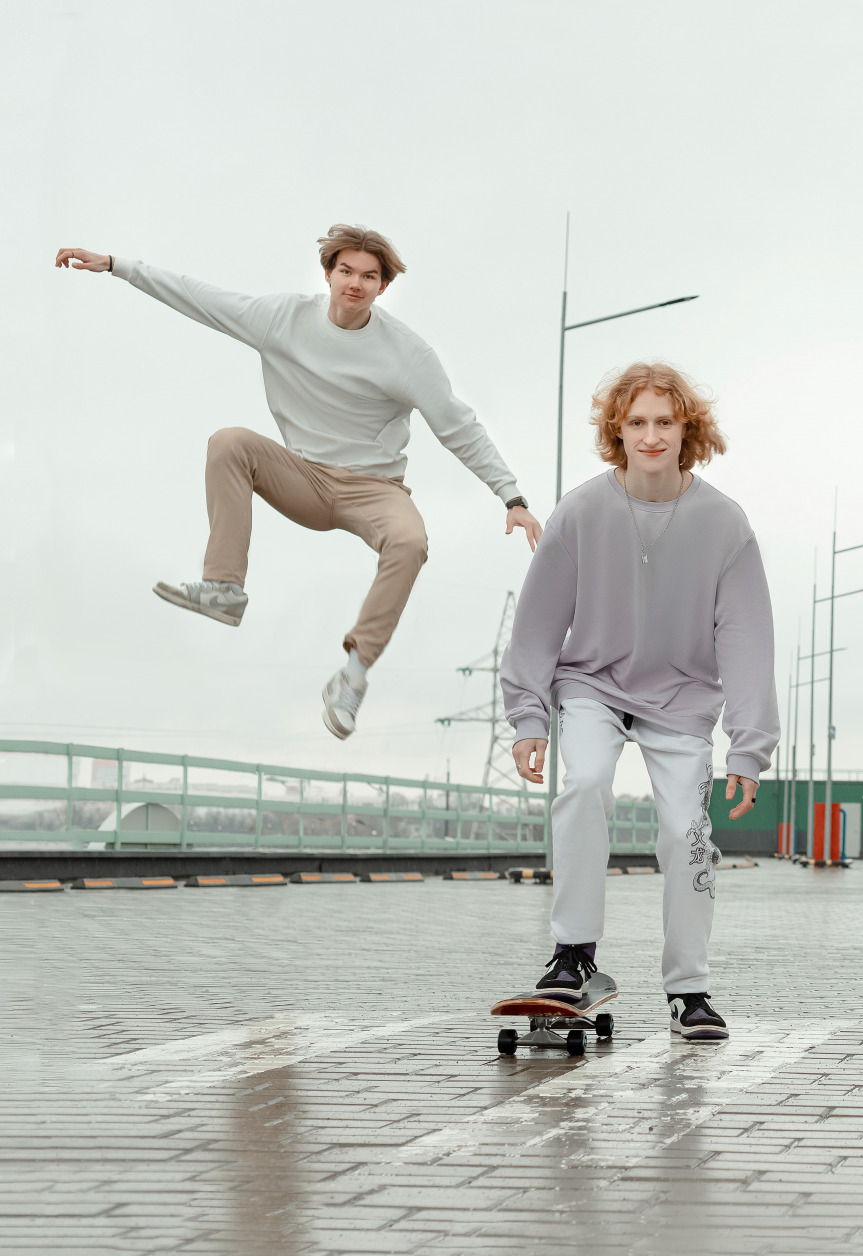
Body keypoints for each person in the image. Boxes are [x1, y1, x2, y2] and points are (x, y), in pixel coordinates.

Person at [53, 229, 541, 740]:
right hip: (302, 476)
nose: (355, 284)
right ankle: (224, 587)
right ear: (328, 274)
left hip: (374, 488)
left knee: (411, 541)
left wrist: (512, 496)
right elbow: (199, 298)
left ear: (382, 287)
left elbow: (458, 426)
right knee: (229, 442)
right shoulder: (282, 319)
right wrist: (113, 264)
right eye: (346, 272)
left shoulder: (408, 355)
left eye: (368, 276)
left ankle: (353, 676)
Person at [501, 361, 777, 1042]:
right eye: (637, 423)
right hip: (593, 680)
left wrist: (749, 745)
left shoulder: (724, 523)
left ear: (688, 430)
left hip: (681, 697)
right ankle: (573, 954)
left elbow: (746, 637)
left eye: (665, 422)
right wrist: (529, 715)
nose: (651, 435)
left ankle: (689, 988)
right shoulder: (581, 511)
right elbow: (538, 620)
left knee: (687, 832)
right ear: (616, 431)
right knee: (586, 781)